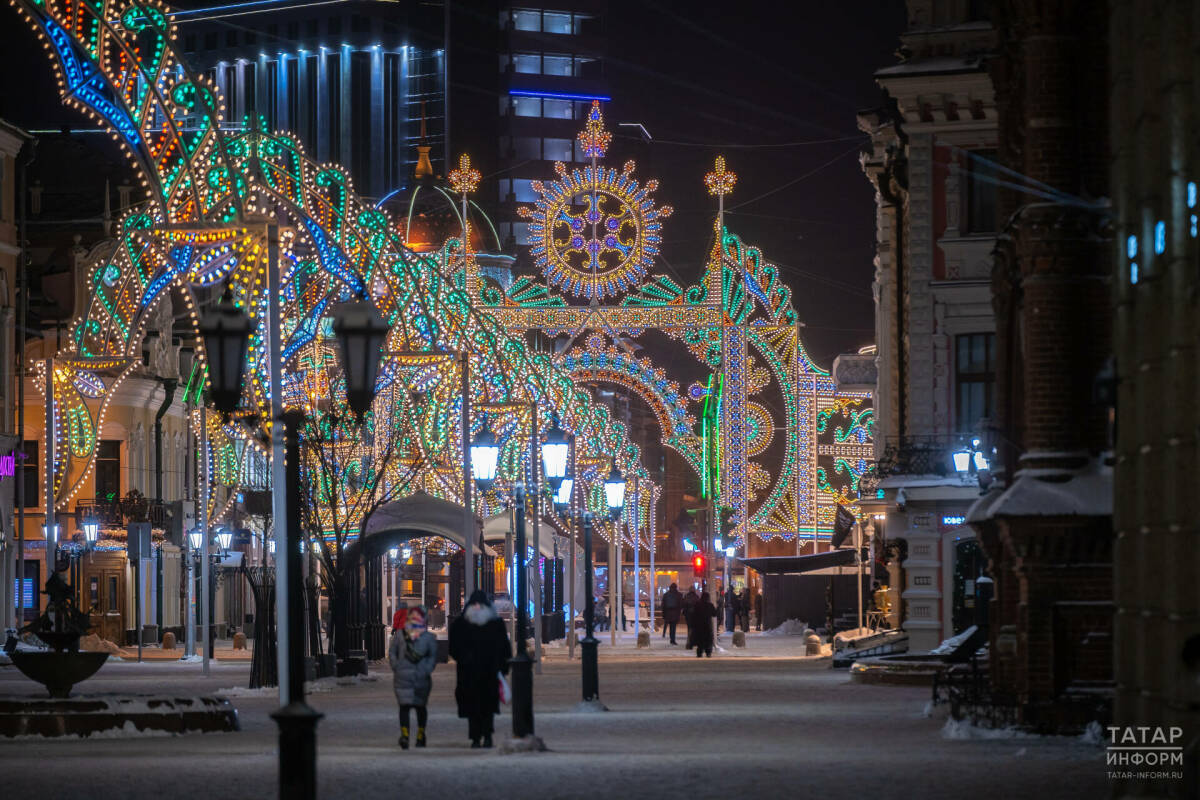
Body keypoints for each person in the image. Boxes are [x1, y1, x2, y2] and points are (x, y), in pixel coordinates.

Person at [448, 590, 512, 748]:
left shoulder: (463, 624)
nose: (477, 607)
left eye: (479, 604)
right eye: (475, 604)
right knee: (476, 707)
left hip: (481, 672)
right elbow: (454, 648)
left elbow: (504, 648)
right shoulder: (493, 624)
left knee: (485, 706)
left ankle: (485, 736)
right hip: (476, 672)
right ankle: (477, 737)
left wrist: (503, 666)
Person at [389, 605, 437, 749]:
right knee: (420, 708)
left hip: (402, 677)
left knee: (404, 708)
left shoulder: (400, 635)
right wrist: (427, 670)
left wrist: (396, 667)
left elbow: (392, 653)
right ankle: (421, 736)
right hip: (421, 678)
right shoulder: (429, 638)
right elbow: (432, 657)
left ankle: (405, 735)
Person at [690, 592, 718, 657]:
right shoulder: (710, 605)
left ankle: (700, 652)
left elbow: (693, 615)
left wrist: (693, 624)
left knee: (700, 639)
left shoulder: (697, 605)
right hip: (707, 625)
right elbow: (714, 614)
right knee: (708, 639)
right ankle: (708, 652)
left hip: (699, 625)